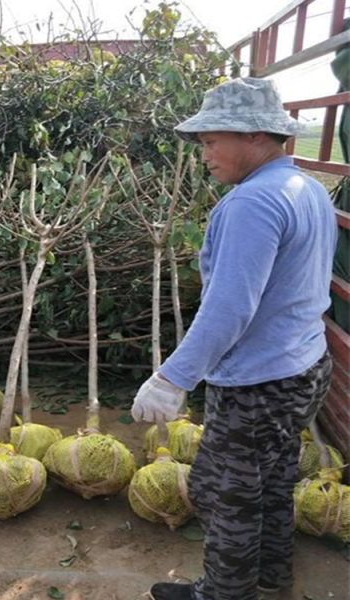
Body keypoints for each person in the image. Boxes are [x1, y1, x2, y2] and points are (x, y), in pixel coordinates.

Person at [131, 78, 336, 600]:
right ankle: (270, 576)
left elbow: (229, 308)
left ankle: (223, 594)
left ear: (252, 136)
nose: (204, 156)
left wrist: (172, 377)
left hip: (259, 381)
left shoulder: (252, 203)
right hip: (305, 366)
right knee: (269, 480)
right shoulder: (307, 188)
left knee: (225, 493)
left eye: (209, 141)